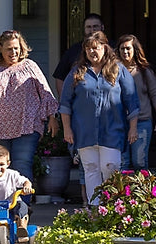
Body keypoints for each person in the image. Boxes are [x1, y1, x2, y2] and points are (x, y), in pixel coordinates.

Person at [0, 30, 59, 205]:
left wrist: (52, 117)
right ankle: (0, 208)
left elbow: (46, 93)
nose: (13, 52)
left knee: (22, 165)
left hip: (27, 124)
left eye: (16, 48)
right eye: (9, 49)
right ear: (0, 49)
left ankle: (22, 209)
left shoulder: (30, 66)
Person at [59, 31, 140, 206]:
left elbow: (131, 101)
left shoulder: (119, 70)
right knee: (91, 170)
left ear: (105, 48)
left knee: (110, 167)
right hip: (84, 131)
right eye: (88, 48)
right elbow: (65, 103)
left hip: (112, 130)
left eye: (95, 48)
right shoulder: (77, 72)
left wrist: (133, 127)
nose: (92, 52)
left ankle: (112, 207)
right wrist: (67, 129)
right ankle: (95, 211)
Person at [53, 13, 105, 207]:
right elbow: (60, 77)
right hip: (80, 117)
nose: (92, 30)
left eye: (95, 26)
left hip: (108, 121)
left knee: (109, 164)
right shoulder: (74, 52)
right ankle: (87, 202)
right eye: (88, 27)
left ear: (103, 28)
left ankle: (108, 203)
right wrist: (66, 100)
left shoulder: (110, 53)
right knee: (86, 163)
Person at [115, 34, 156, 171]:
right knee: (121, 163)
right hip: (120, 122)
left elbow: (155, 94)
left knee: (139, 162)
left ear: (135, 50)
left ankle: (142, 191)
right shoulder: (113, 71)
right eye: (122, 49)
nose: (125, 52)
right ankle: (121, 192)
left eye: (128, 48)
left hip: (142, 121)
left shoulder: (144, 71)